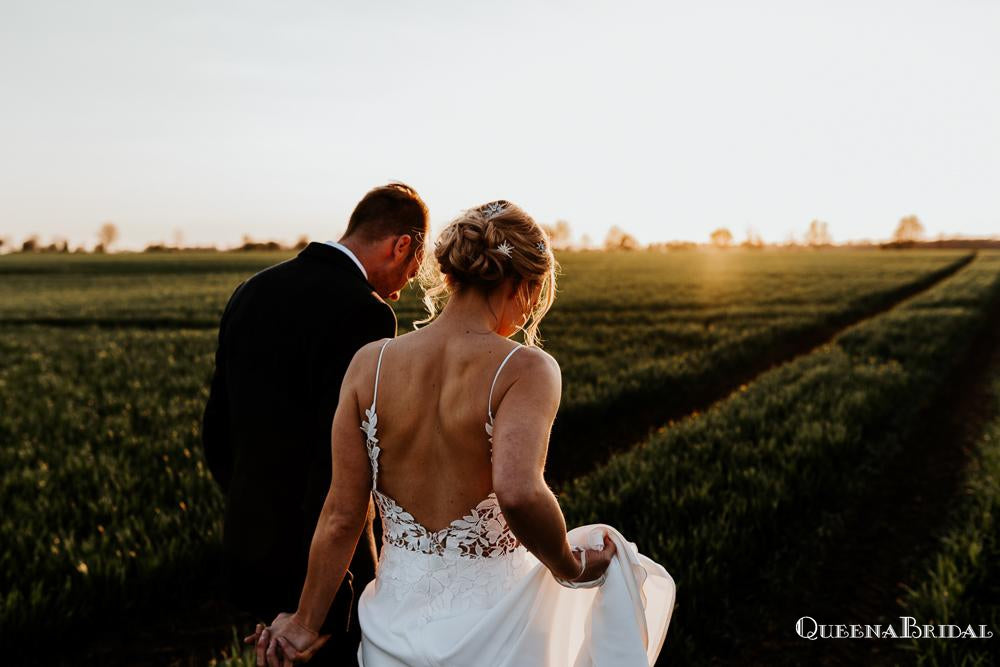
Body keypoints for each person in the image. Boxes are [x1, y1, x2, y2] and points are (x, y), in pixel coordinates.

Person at [246, 200, 674, 666]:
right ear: (525, 285)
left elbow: (341, 515)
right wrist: (569, 568)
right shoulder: (524, 368)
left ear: (450, 275)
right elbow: (518, 492)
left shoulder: (369, 363)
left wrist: (306, 624)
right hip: (498, 627)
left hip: (392, 627)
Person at [202, 182, 429, 665]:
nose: (403, 285)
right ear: (401, 245)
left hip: (252, 550)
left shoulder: (251, 291)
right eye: (411, 271)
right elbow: (338, 464)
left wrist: (259, 512)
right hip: (322, 572)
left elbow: (217, 436)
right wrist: (324, 604)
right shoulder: (364, 312)